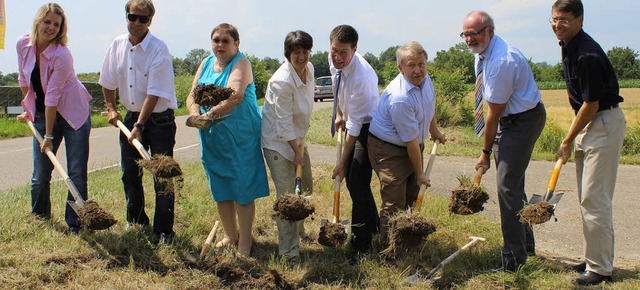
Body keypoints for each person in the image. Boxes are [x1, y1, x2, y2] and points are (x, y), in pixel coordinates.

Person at [462, 11, 546, 271]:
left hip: (521, 121)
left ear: (489, 31)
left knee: (507, 187)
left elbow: (493, 115)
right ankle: (526, 246)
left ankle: (512, 259)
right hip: (511, 120)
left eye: (473, 33)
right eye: (465, 34)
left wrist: (485, 153)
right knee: (513, 184)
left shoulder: (501, 60)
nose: (468, 39)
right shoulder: (486, 53)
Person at [551, 0, 626, 285]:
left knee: (595, 200)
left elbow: (591, 104)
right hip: (590, 123)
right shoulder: (569, 47)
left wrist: (568, 139)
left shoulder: (587, 54)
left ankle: (600, 269)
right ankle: (593, 258)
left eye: (565, 19)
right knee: (587, 197)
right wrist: (576, 133)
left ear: (580, 21)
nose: (558, 25)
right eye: (555, 19)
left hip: (603, 123)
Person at [185, 23, 269, 257]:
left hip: (240, 137)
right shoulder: (205, 63)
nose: (219, 45)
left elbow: (235, 95)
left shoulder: (241, 63)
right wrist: (195, 114)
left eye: (225, 41)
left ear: (236, 43)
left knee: (242, 187)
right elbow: (192, 95)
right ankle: (229, 235)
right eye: (215, 40)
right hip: (213, 137)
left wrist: (208, 115)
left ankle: (245, 240)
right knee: (220, 185)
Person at [99, 0, 178, 244]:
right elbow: (107, 81)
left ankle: (164, 231)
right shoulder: (117, 45)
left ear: (150, 21)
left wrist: (140, 127)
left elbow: (154, 93)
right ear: (127, 17)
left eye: (143, 19)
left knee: (162, 177)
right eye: (133, 17)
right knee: (130, 174)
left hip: (160, 121)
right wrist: (112, 108)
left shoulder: (158, 49)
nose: (137, 23)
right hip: (132, 118)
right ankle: (136, 221)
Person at [16, 3, 92, 235]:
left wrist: (48, 136)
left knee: (76, 172)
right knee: (40, 175)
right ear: (38, 21)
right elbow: (23, 79)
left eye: (56, 25)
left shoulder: (62, 54)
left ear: (61, 29)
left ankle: (76, 223)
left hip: (73, 115)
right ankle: (40, 219)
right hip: (41, 114)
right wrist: (28, 109)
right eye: (47, 22)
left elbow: (53, 97)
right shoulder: (23, 44)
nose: (51, 27)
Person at [368, 41, 446, 245]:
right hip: (388, 149)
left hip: (412, 143)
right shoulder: (399, 97)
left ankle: (408, 240)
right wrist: (420, 173)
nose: (418, 70)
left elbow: (428, 107)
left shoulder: (425, 80)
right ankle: (389, 249)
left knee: (412, 193)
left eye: (421, 64)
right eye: (411, 66)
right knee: (395, 200)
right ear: (400, 68)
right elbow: (411, 142)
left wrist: (434, 130)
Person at [328, 24, 380, 265]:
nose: (337, 57)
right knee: (355, 182)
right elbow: (339, 90)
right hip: (351, 122)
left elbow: (355, 128)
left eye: (343, 53)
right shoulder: (335, 63)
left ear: (355, 49)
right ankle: (375, 225)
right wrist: (339, 112)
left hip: (368, 128)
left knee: (357, 182)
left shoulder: (362, 77)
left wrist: (341, 162)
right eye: (334, 51)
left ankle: (361, 244)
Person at [260, 31, 314, 262]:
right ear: (288, 54)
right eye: (296, 53)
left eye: (305, 51)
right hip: (278, 143)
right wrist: (296, 152)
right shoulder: (282, 80)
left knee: (306, 187)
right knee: (288, 198)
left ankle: (299, 230)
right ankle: (288, 251)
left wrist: (299, 148)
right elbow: (282, 124)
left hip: (297, 138)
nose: (301, 57)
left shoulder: (309, 70)